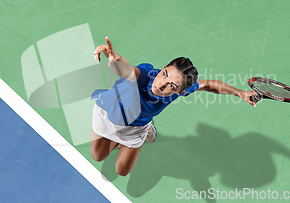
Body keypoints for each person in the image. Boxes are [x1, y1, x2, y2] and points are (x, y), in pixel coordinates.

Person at [90, 36, 257, 176]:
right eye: (164, 74)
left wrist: (240, 93)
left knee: (122, 171)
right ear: (163, 68)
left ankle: (144, 131)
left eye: (172, 86)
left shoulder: (181, 90)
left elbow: (208, 85)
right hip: (108, 114)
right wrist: (116, 58)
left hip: (136, 126)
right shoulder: (146, 75)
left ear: (180, 92)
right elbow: (126, 70)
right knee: (98, 156)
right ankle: (121, 138)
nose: (162, 85)